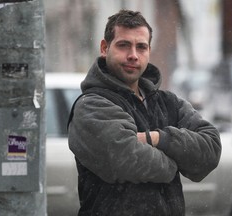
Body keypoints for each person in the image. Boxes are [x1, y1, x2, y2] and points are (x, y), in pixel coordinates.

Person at [68, 9, 221, 216]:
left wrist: (158, 138)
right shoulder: (92, 105)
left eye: (141, 47)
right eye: (123, 45)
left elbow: (210, 149)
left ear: (149, 50)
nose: (133, 55)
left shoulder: (169, 103)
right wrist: (176, 162)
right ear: (105, 48)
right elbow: (125, 160)